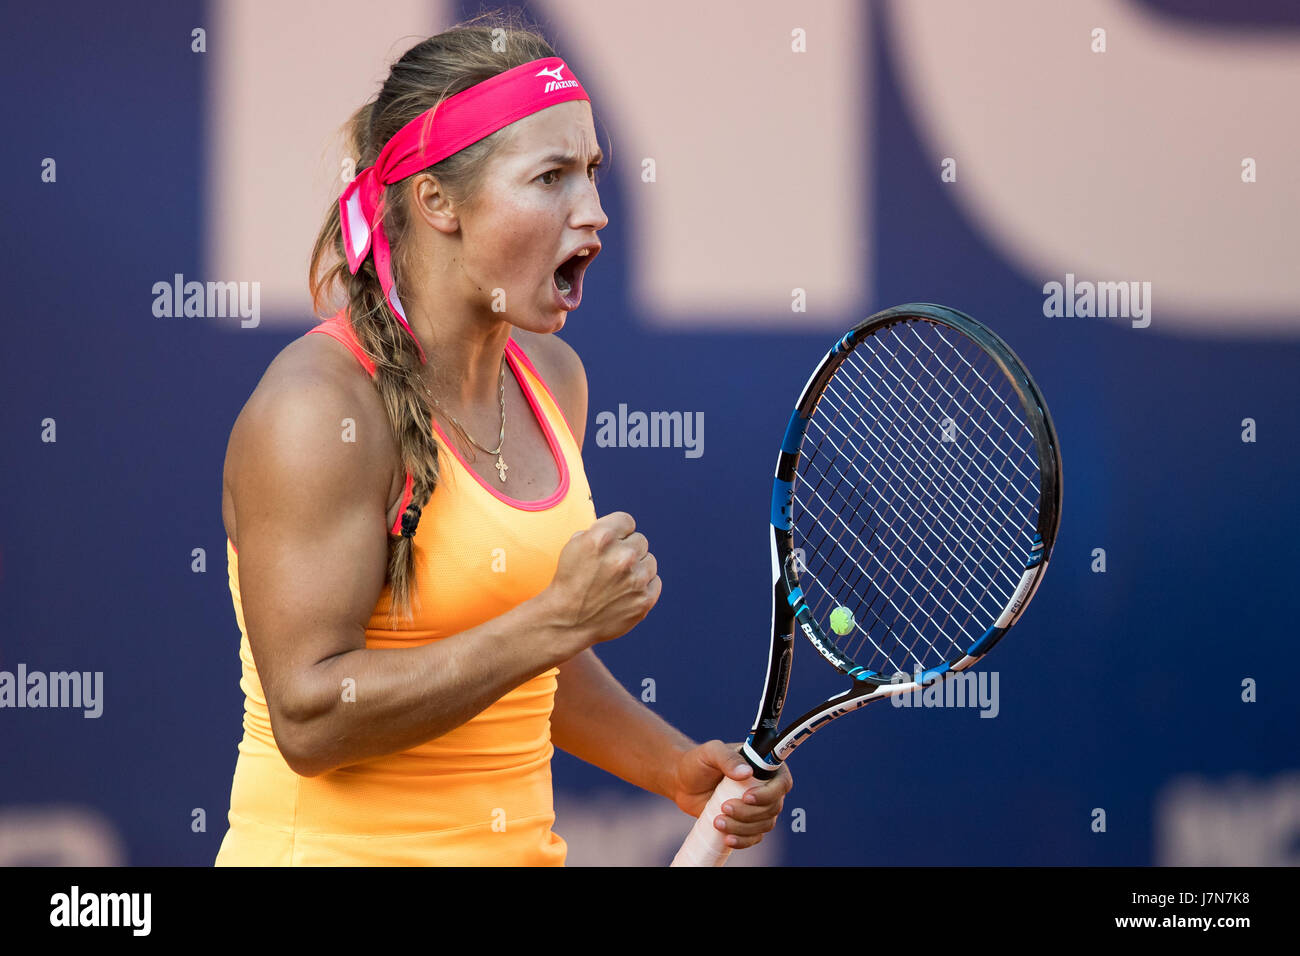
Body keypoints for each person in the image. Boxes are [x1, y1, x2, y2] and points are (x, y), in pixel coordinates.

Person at [214, 14, 792, 866]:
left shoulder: (554, 379)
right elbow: (311, 715)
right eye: (550, 177)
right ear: (436, 200)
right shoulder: (316, 410)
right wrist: (556, 619)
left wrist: (669, 764)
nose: (593, 212)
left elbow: (519, 667)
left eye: (592, 173)